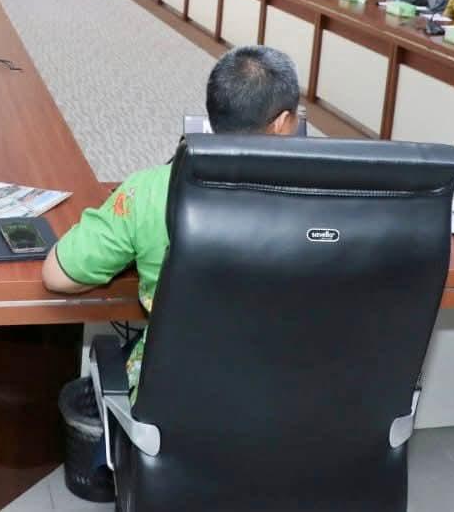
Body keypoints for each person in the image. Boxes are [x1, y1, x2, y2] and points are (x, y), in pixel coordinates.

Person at [42, 45, 302, 400]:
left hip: (175, 410)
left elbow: (57, 275)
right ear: (281, 123)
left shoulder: (149, 191)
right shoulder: (333, 203)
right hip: (298, 404)